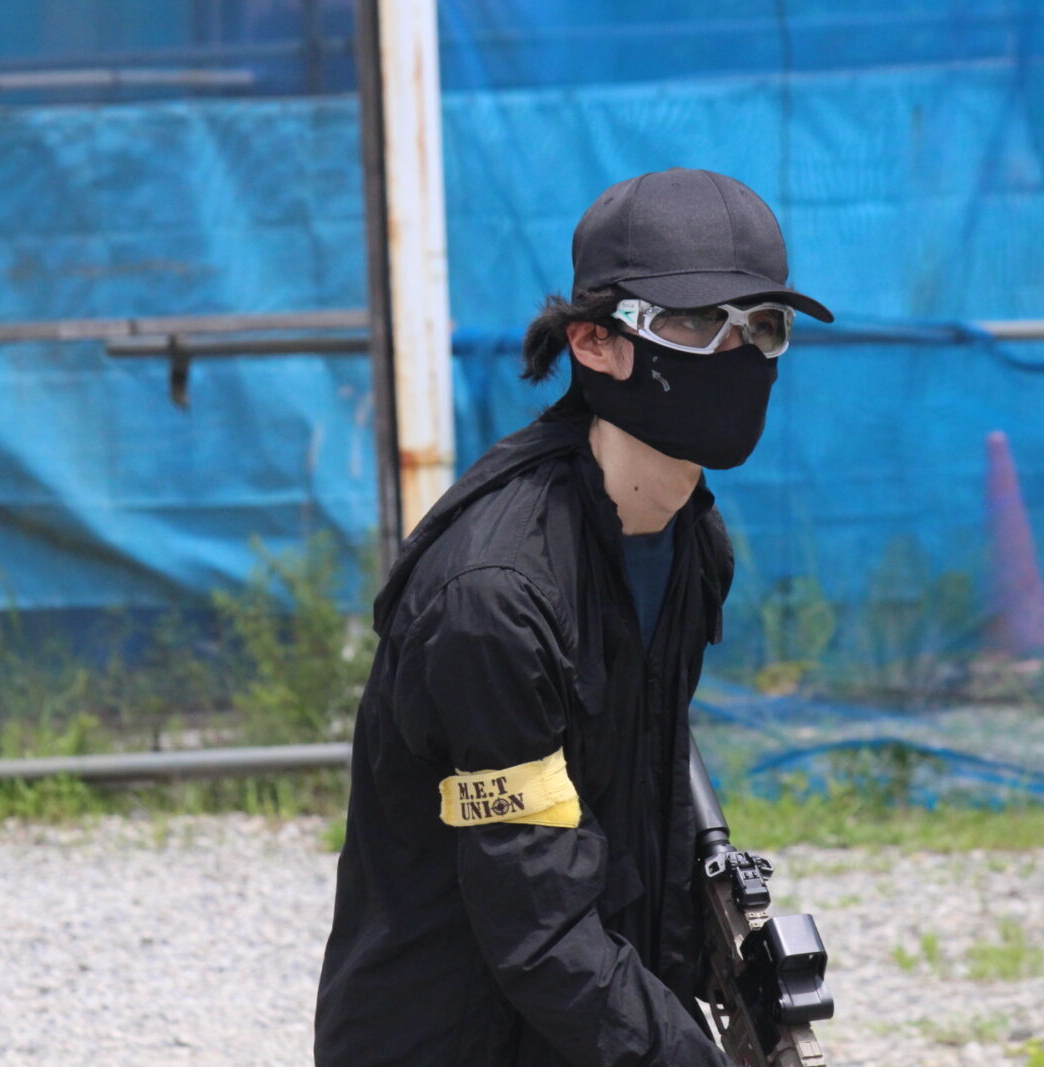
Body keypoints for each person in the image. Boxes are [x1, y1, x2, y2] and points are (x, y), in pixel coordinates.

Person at [315, 167, 833, 1066]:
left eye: (762, 325)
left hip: (582, 1024)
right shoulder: (495, 598)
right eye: (694, 323)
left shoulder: (690, 542)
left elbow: (641, 793)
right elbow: (539, 927)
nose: (737, 352)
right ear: (595, 342)